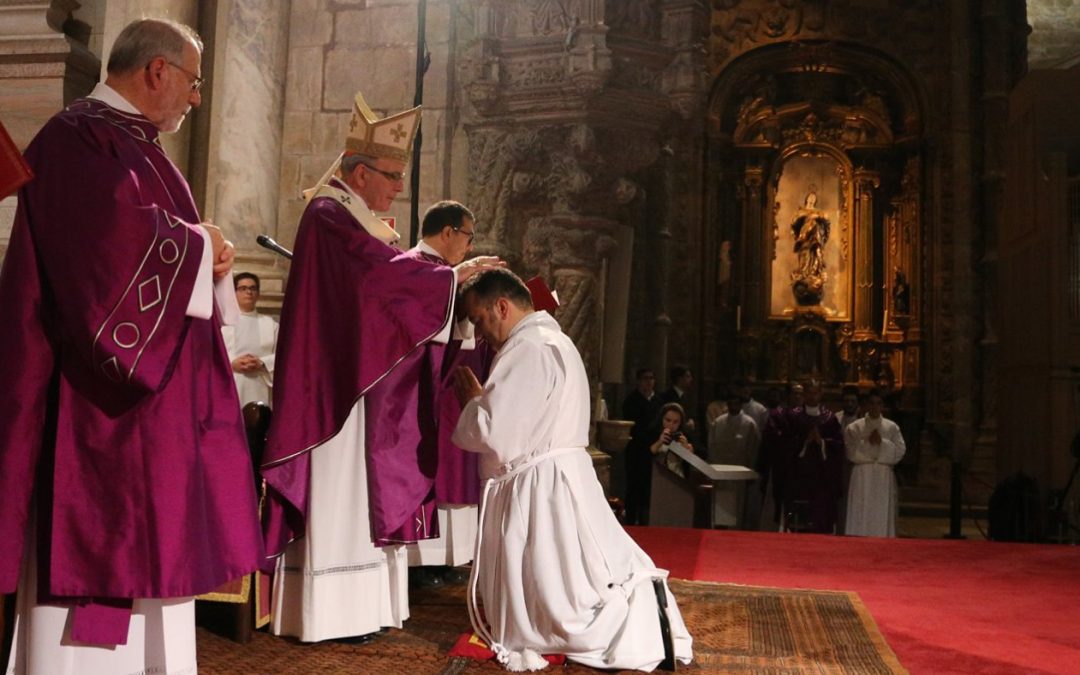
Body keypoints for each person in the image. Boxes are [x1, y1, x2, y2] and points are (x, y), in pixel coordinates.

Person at [0, 18, 263, 675]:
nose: (196, 97)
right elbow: (105, 259)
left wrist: (208, 252)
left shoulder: (134, 145)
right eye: (193, 82)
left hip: (147, 426)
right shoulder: (79, 138)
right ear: (157, 71)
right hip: (99, 420)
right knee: (99, 581)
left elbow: (162, 246)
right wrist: (199, 244)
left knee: (157, 574)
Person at [261, 92, 500, 643]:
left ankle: (364, 609)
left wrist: (448, 282)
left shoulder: (357, 218)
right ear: (360, 171)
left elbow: (384, 283)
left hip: (360, 384)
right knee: (342, 492)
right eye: (391, 174)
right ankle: (333, 613)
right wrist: (450, 278)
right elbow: (376, 281)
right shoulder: (329, 214)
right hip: (333, 389)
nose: (398, 186)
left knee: (362, 490)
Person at [451, 269, 692, 671]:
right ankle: (643, 612)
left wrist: (474, 402)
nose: (480, 333)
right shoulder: (556, 341)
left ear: (502, 306)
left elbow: (497, 435)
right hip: (561, 474)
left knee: (559, 593)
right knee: (574, 572)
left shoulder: (526, 348)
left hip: (541, 484)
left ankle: (635, 621)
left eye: (479, 320)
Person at [404, 200, 491, 585]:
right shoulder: (414, 267)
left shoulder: (443, 273)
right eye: (468, 237)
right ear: (449, 233)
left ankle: (445, 557)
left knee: (453, 466)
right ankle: (420, 560)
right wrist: (458, 280)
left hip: (445, 384)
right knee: (425, 469)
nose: (469, 247)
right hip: (417, 388)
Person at [781, 380, 845, 533]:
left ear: (821, 394)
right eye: (808, 392)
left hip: (822, 477)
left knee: (821, 515)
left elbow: (838, 445)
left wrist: (822, 442)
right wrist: (804, 441)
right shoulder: (793, 416)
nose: (812, 396)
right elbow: (785, 442)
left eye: (815, 392)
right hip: (799, 475)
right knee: (799, 515)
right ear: (804, 394)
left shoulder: (829, 418)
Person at [844, 390, 906, 537]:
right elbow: (850, 451)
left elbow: (900, 450)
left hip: (883, 474)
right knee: (861, 507)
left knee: (881, 509)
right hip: (862, 473)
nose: (874, 407)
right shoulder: (855, 427)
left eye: (878, 404)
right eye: (871, 403)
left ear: (882, 406)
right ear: (866, 406)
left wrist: (883, 443)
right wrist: (866, 443)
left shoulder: (891, 427)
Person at [222, 272, 279, 406]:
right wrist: (231, 364)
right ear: (233, 293)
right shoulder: (223, 322)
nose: (249, 292)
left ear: (258, 294)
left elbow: (284, 356)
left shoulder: (270, 324)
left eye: (253, 288)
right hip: (230, 383)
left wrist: (262, 363)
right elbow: (210, 355)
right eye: (243, 288)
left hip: (260, 385)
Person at [622, 367, 663, 525]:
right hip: (636, 450)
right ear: (639, 381)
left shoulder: (658, 401)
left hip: (654, 449)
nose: (649, 382)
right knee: (634, 486)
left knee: (649, 487)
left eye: (651, 378)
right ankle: (631, 520)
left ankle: (647, 521)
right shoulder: (631, 401)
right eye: (645, 378)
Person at [650, 402, 695, 478]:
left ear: (680, 423)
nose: (671, 425)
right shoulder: (653, 433)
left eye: (675, 422)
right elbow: (646, 455)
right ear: (662, 419)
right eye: (668, 420)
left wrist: (687, 450)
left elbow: (692, 464)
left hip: (678, 479)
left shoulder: (684, 436)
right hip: (656, 478)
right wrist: (659, 442)